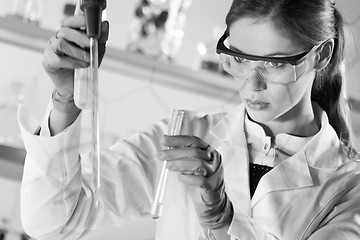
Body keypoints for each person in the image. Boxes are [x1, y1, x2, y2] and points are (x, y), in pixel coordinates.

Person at [18, 0, 360, 239]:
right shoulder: (183, 137)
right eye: (238, 59)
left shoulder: (349, 189)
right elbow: (51, 222)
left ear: (321, 55)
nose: (253, 84)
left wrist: (221, 219)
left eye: (274, 64)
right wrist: (66, 100)